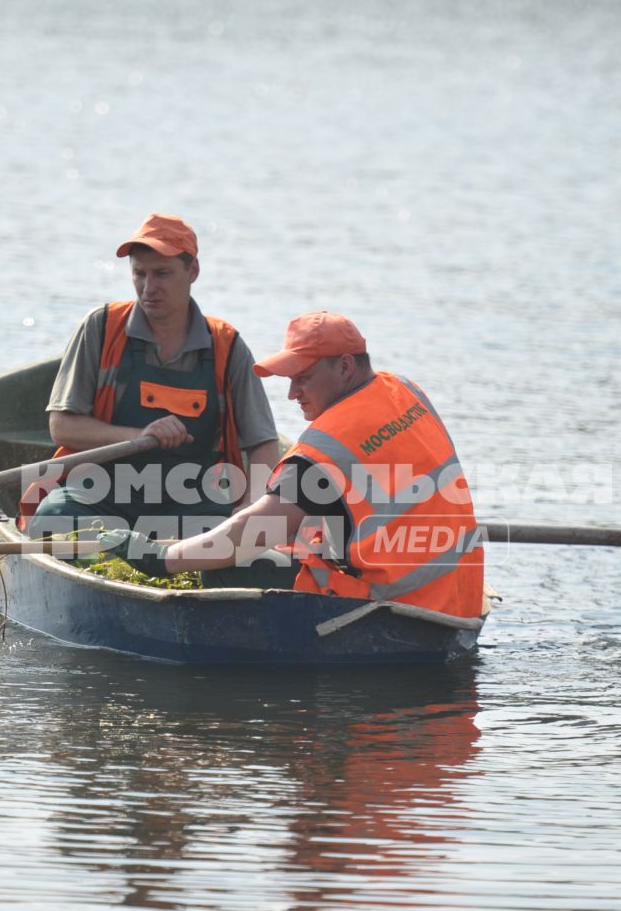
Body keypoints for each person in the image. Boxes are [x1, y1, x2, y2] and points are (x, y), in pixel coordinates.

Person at [155, 311, 484, 618]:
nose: (292, 393)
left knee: (227, 563)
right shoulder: (406, 392)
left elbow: (253, 530)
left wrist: (165, 558)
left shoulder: (326, 445)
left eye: (303, 378)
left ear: (344, 367)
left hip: (395, 610)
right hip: (460, 598)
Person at [25, 213, 280, 547]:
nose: (149, 287)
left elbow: (262, 443)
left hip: (194, 497)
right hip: (102, 489)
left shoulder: (226, 346)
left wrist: (254, 508)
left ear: (193, 272)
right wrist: (138, 435)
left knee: (232, 528)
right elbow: (62, 426)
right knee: (54, 518)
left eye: (162, 274)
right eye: (139, 273)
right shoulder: (101, 329)